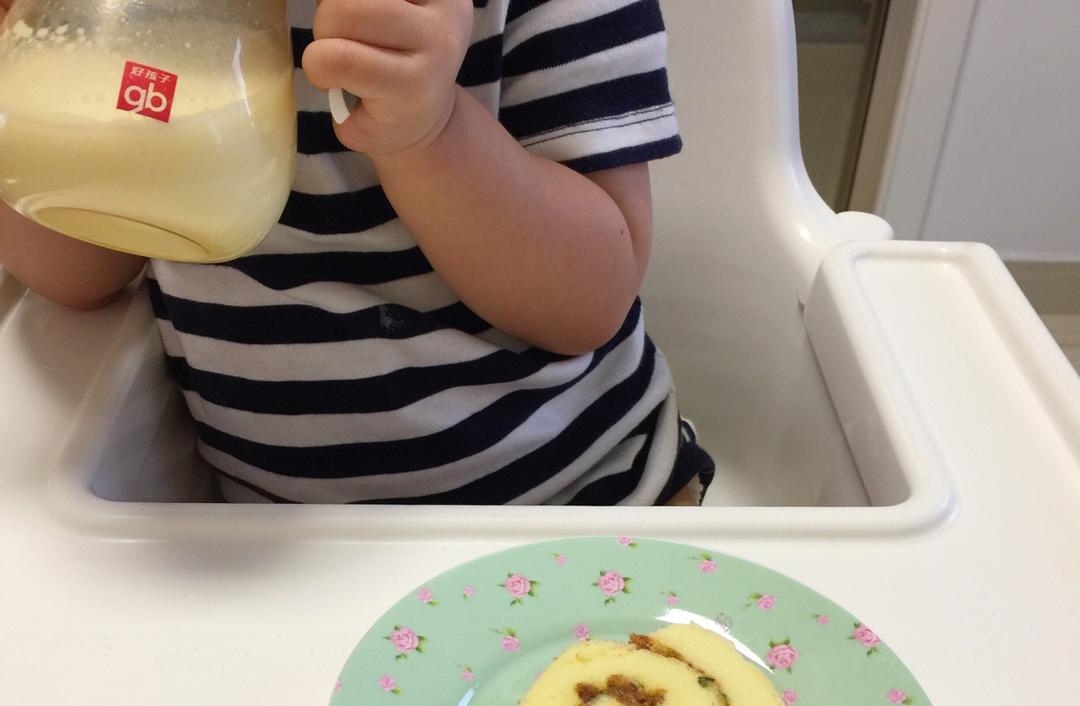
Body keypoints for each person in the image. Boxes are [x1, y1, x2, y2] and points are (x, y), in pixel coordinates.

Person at [0, 0, 714, 505]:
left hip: (576, 503)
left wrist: (431, 132)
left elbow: (588, 302)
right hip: (279, 547)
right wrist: (32, 57)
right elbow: (78, 272)